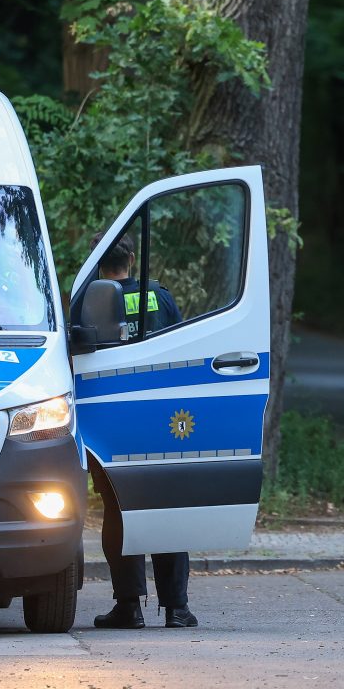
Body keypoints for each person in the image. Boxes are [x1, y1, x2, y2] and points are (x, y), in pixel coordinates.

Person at [91, 236, 196, 629]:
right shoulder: (161, 298)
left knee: (119, 511)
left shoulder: (89, 300)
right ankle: (177, 609)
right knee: (166, 507)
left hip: (112, 421)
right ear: (132, 260)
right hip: (161, 419)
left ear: (99, 264)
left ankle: (129, 607)